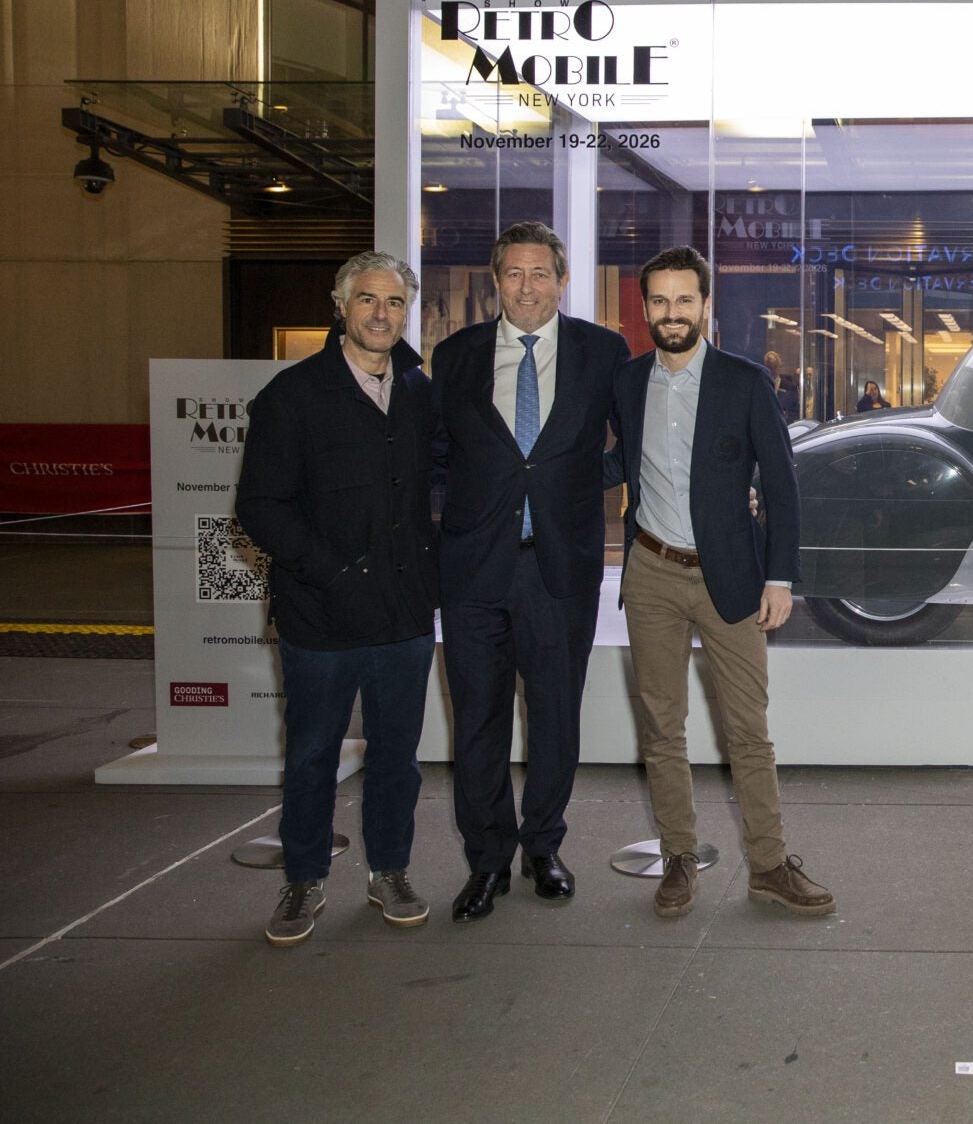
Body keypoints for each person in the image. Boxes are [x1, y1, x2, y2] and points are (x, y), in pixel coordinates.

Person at [612, 245, 834, 920]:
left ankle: (768, 865)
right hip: (651, 573)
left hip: (731, 577)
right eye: (660, 300)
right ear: (645, 307)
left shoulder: (744, 381)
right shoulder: (627, 382)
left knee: (748, 730)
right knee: (662, 727)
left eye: (685, 299)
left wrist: (780, 576)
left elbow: (782, 485)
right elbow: (618, 464)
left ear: (706, 306)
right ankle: (679, 857)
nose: (672, 312)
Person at [237, 251, 439, 946]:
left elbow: (439, 486)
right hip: (320, 616)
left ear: (407, 312)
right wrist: (333, 572)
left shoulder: (419, 391)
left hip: (404, 616)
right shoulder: (292, 395)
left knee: (396, 758)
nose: (381, 314)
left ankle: (390, 870)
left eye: (394, 302)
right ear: (340, 306)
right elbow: (260, 507)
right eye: (367, 300)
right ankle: (303, 878)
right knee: (312, 754)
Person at [432, 221, 630, 922]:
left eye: (540, 273)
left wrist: (576, 483)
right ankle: (487, 860)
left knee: (554, 718)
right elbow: (436, 456)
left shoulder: (602, 352)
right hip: (473, 570)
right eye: (513, 273)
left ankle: (543, 846)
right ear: (496, 280)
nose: (526, 287)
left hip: (559, 569)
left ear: (563, 280)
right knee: (477, 722)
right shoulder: (455, 356)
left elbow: (632, 445)